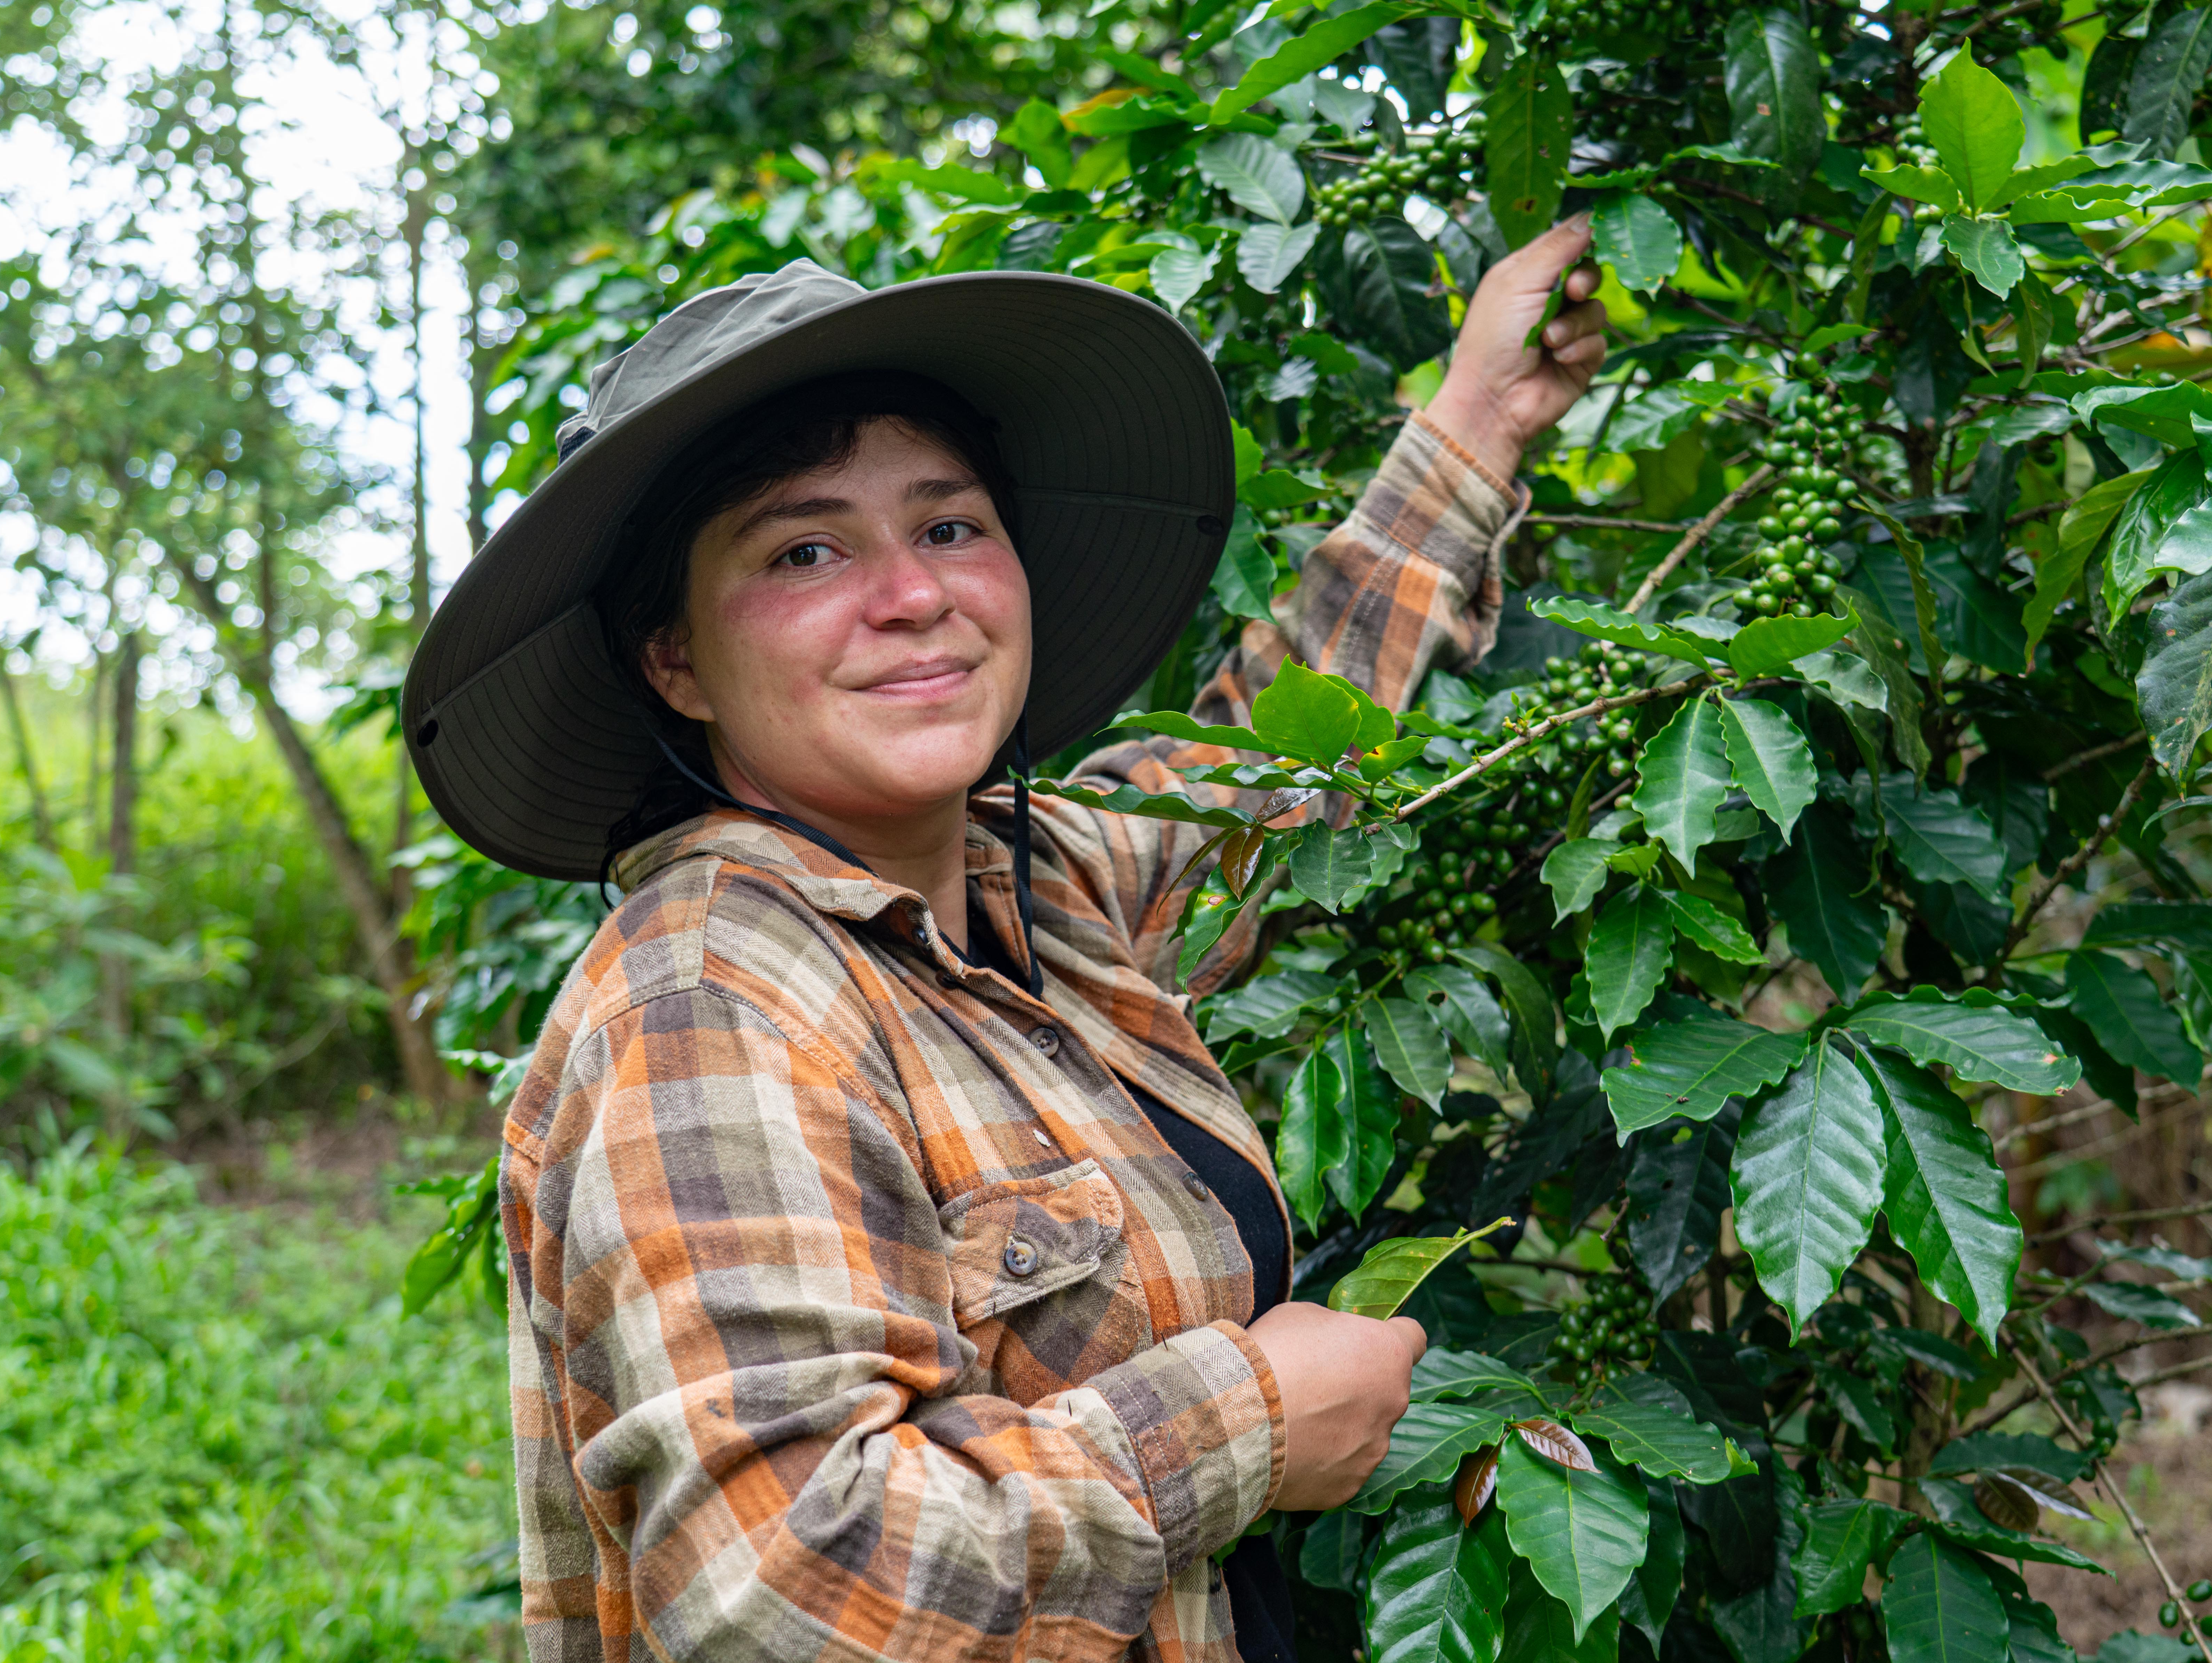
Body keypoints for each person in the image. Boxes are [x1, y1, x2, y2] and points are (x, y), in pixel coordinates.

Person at [403, 212, 1608, 1663]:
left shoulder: (1027, 890)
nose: (913, 596)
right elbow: (781, 1595)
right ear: (676, 660)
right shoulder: (712, 1000)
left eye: (950, 525)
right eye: (802, 550)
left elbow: (1255, 770)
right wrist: (1248, 1418)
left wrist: (1475, 416)